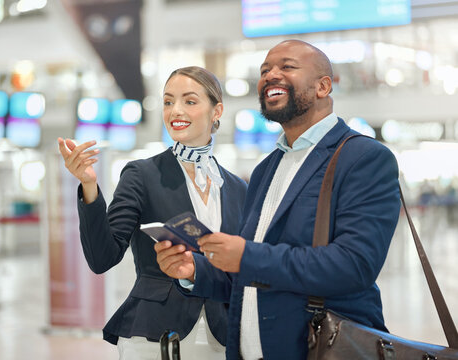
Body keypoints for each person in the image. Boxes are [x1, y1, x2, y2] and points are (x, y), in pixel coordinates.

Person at [155, 40, 401, 360]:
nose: (271, 75)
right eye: (264, 70)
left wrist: (245, 257)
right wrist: (195, 271)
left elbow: (354, 265)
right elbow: (252, 279)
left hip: (319, 350)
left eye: (287, 67)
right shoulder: (265, 170)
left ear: (323, 86)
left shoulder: (363, 158)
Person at [57, 66, 247, 360]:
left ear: (217, 110)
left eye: (190, 101)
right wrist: (89, 186)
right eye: (168, 101)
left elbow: (244, 267)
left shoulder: (237, 188)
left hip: (222, 337)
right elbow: (102, 257)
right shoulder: (142, 174)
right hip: (156, 337)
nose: (176, 111)